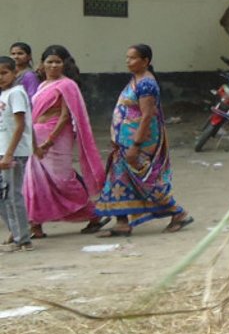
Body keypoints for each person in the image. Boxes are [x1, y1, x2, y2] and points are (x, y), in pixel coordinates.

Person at [95, 44, 193, 235]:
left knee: (144, 180)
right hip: (124, 142)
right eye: (127, 57)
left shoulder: (146, 84)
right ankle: (122, 222)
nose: (128, 61)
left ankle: (178, 212)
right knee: (118, 177)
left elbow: (147, 115)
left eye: (132, 58)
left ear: (145, 61)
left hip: (139, 142)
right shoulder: (135, 80)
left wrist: (136, 145)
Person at [23, 45, 106, 237]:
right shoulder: (42, 85)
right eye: (49, 62)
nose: (53, 65)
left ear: (64, 64)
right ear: (42, 64)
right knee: (34, 180)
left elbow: (64, 117)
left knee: (62, 181)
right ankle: (36, 225)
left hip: (57, 138)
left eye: (57, 61)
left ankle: (93, 214)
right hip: (36, 138)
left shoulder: (67, 85)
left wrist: (49, 141)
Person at [0, 56, 35, 250]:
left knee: (13, 195)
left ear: (15, 73)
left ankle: (23, 238)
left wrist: (9, 154)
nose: (1, 77)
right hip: (3, 150)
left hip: (13, 152)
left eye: (4, 73)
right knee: (3, 196)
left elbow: (21, 125)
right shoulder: (3, 95)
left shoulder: (16, 93)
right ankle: (16, 231)